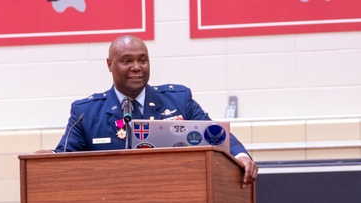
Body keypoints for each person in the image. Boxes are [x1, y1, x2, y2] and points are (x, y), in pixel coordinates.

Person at [47, 34, 258, 187]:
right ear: (110, 64)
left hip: (175, 201)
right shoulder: (86, 113)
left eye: (143, 60)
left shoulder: (178, 100)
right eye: (127, 61)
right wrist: (47, 159)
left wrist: (240, 156)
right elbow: (64, 159)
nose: (137, 67)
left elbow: (215, 135)